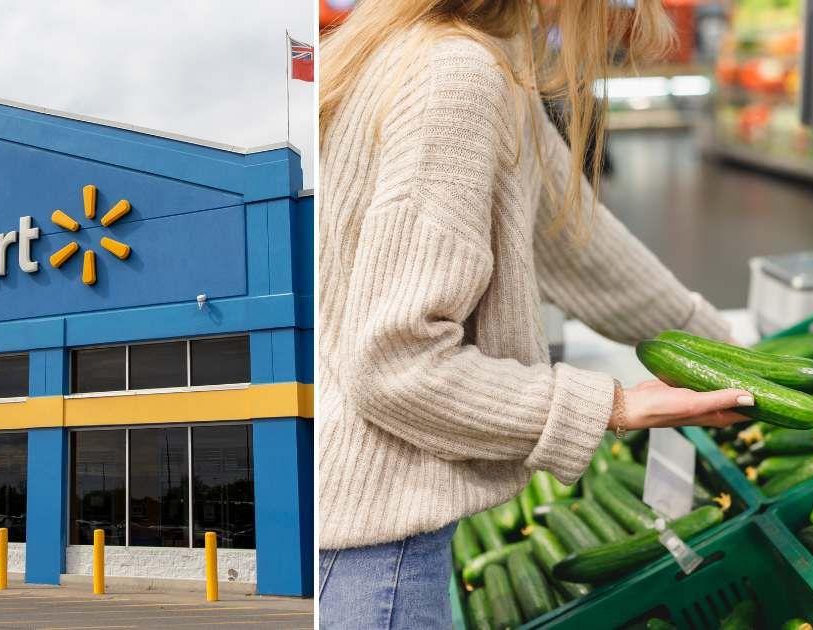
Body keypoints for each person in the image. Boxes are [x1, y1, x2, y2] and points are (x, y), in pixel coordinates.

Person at [317, 1, 753, 627]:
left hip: (365, 541)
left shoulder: (447, 47)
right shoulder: (457, 73)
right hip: (375, 565)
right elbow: (398, 365)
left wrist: (722, 351)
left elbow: (572, 235)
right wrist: (614, 407)